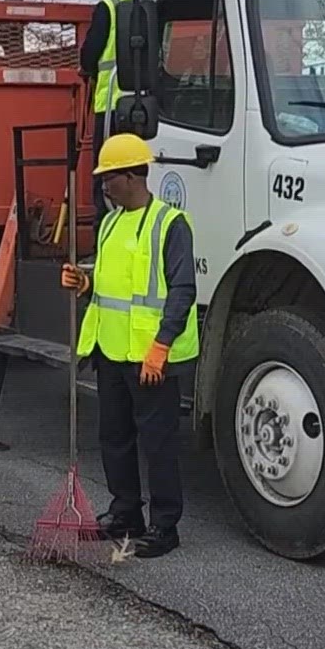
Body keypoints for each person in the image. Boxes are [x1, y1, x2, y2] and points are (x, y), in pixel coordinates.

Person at [60, 133, 199, 559]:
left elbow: (182, 290)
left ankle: (164, 526)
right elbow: (110, 287)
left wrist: (161, 345)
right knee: (114, 437)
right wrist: (84, 284)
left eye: (109, 177)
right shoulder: (110, 222)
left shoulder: (170, 223)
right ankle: (125, 514)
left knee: (157, 443)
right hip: (110, 350)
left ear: (134, 175)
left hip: (149, 357)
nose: (103, 184)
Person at [79, 0, 147, 209]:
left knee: (107, 177)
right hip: (150, 107)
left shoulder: (109, 6)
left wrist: (86, 69)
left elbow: (89, 55)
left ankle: (104, 230)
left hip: (111, 107)